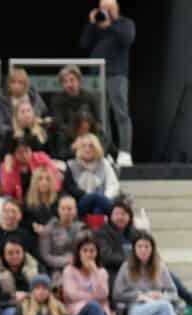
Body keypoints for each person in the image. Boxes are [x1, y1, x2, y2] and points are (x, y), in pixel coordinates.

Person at [81, 0, 134, 167]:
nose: (104, 10)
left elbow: (127, 38)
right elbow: (84, 43)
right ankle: (107, 151)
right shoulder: (98, 26)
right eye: (102, 7)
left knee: (120, 113)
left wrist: (110, 23)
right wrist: (91, 24)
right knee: (101, 116)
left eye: (108, 7)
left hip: (116, 74)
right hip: (97, 75)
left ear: (116, 8)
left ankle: (125, 152)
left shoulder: (125, 24)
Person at [114, 233, 184, 315]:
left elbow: (174, 293)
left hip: (157, 305)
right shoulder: (126, 267)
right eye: (139, 246)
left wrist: (161, 296)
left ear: (152, 249)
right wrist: (138, 296)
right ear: (134, 249)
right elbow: (117, 294)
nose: (143, 250)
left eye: (147, 247)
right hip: (136, 309)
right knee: (165, 305)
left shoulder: (160, 267)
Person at [0, 238, 40, 315]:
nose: (15, 256)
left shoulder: (36, 267)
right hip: (7, 307)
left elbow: (44, 290)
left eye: (18, 252)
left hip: (33, 304)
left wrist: (27, 295)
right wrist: (13, 295)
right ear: (4, 255)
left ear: (23, 252)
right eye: (10, 253)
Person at [49, 65, 102, 155]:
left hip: (88, 133)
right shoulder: (57, 100)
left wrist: (86, 136)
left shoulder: (90, 97)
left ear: (79, 81)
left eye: (72, 80)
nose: (69, 84)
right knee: (59, 136)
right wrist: (78, 137)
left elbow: (97, 121)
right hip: (68, 136)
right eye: (65, 82)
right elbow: (59, 123)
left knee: (102, 136)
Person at [63, 134, 119, 217]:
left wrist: (104, 198)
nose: (87, 149)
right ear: (79, 148)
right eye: (84, 146)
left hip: (102, 202)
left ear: (96, 148)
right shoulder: (71, 164)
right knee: (94, 197)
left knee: (98, 208)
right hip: (81, 203)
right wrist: (89, 196)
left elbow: (113, 185)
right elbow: (70, 188)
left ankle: (97, 229)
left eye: (91, 146)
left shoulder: (104, 163)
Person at [62, 235, 111, 315]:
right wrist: (95, 298)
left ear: (97, 253)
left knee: (97, 310)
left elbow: (104, 294)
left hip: (101, 312)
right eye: (85, 251)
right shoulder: (69, 270)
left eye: (92, 251)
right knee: (94, 306)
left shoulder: (102, 272)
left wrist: (95, 272)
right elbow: (72, 295)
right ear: (78, 253)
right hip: (77, 311)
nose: (88, 254)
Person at [0, 136, 60, 202]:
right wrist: (8, 171)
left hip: (42, 197)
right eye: (20, 152)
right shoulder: (7, 165)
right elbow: (7, 191)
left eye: (27, 151)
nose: (24, 155)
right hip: (20, 201)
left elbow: (55, 177)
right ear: (14, 154)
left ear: (31, 150)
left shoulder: (41, 158)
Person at [0, 67, 48, 139]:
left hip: (35, 137)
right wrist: (15, 132)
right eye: (13, 82)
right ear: (8, 84)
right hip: (12, 139)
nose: (16, 86)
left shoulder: (34, 97)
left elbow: (44, 116)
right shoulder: (2, 101)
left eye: (20, 82)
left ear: (26, 84)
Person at [0, 199, 36, 264]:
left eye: (14, 211)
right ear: (2, 213)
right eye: (6, 211)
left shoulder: (27, 236)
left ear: (20, 215)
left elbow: (31, 259)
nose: (10, 215)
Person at [92, 199, 137, 279]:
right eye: (117, 214)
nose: (120, 217)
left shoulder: (136, 233)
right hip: (113, 272)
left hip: (135, 270)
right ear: (110, 216)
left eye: (123, 214)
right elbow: (106, 257)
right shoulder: (101, 233)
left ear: (130, 217)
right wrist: (132, 261)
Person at [39, 195, 83, 274]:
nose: (66, 212)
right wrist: (67, 261)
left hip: (78, 268)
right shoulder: (48, 229)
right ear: (58, 210)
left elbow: (85, 251)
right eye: (63, 209)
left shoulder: (82, 228)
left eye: (69, 209)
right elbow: (45, 256)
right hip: (55, 270)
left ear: (75, 211)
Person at [23, 166, 62, 234]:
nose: (44, 182)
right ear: (35, 181)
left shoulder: (59, 198)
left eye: (48, 179)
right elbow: (25, 220)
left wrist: (47, 229)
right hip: (34, 234)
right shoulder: (27, 199)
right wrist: (33, 225)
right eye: (40, 179)